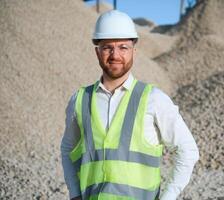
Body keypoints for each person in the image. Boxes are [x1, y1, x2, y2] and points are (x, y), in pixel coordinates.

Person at [61, 10, 199, 200]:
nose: (115, 55)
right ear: (97, 52)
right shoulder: (80, 100)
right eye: (108, 47)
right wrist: (75, 194)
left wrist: (168, 197)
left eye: (123, 47)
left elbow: (188, 151)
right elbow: (68, 148)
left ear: (134, 50)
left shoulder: (154, 99)